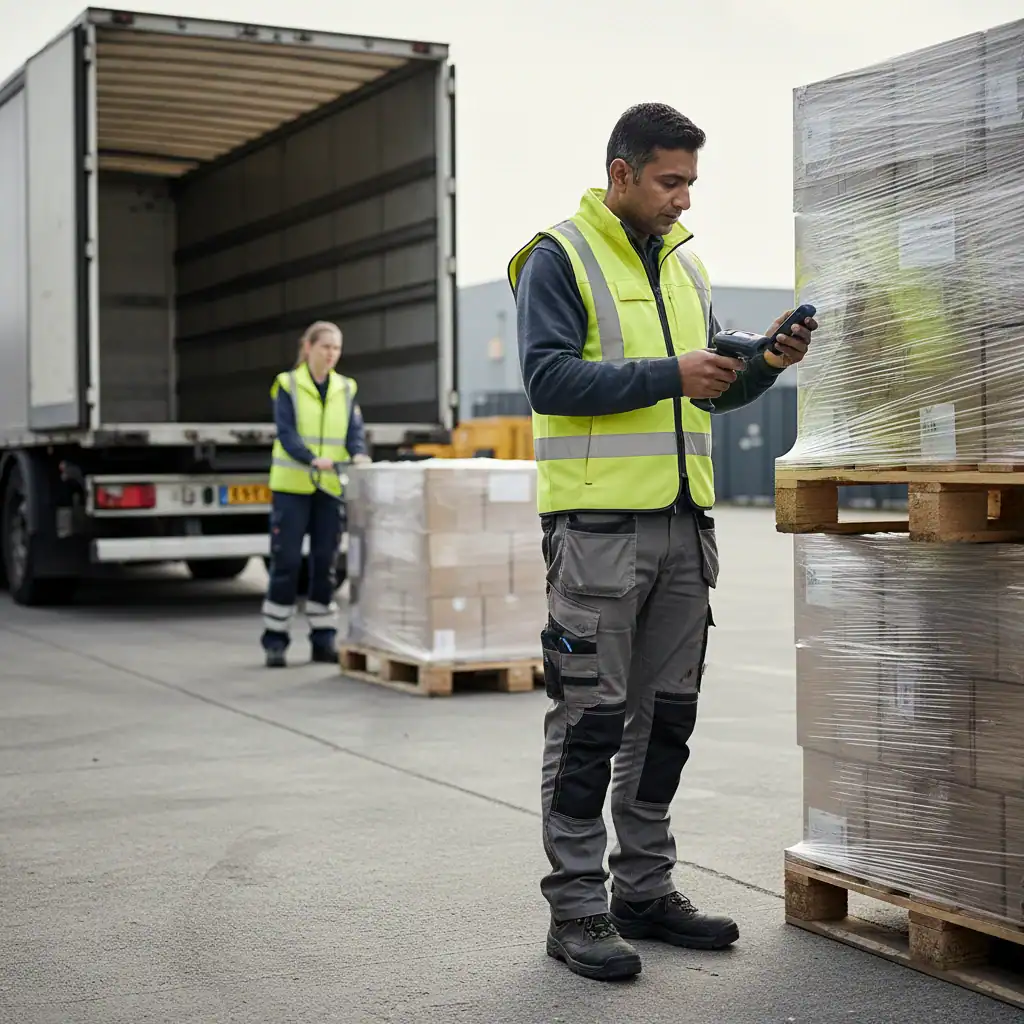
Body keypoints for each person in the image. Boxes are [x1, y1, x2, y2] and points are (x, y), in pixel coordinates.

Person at [507, 102, 817, 981]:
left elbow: (708, 392)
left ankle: (643, 888)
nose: (684, 198)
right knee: (589, 723)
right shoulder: (558, 256)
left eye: (690, 182)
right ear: (622, 174)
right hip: (598, 535)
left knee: (665, 723)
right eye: (669, 181)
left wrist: (762, 364)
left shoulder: (687, 265)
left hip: (685, 530)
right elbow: (548, 376)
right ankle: (576, 911)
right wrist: (670, 374)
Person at [261, 320, 371, 668]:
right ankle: (275, 641)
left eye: (337, 348)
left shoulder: (346, 387)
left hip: (328, 490)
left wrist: (358, 452)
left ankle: (323, 640)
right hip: (292, 488)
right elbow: (286, 433)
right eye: (326, 347)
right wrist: (311, 458)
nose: (332, 354)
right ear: (308, 348)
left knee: (325, 564)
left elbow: (354, 430)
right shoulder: (287, 385)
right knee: (287, 563)